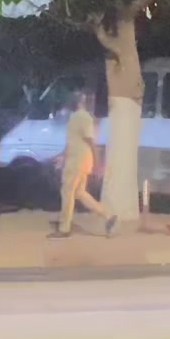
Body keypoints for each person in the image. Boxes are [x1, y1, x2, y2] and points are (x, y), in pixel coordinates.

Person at [52, 90, 115, 239]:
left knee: (67, 193)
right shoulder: (79, 117)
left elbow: (90, 141)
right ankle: (107, 216)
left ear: (78, 102)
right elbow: (74, 141)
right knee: (79, 193)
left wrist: (98, 163)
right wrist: (61, 156)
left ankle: (64, 228)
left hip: (77, 161)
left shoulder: (81, 117)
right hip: (81, 161)